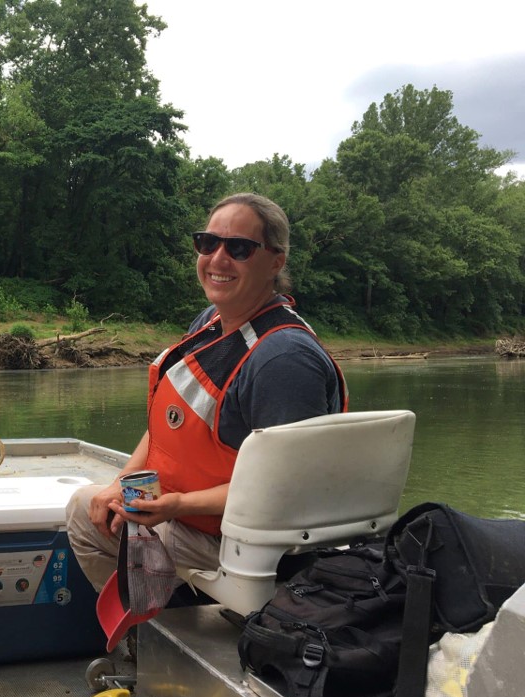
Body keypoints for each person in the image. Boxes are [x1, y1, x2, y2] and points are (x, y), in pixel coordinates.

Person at [65, 192, 347, 593]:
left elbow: (284, 491)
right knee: (92, 505)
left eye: (239, 248)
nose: (217, 259)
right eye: (208, 243)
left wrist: (176, 506)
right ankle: (156, 623)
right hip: (194, 516)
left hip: (251, 547)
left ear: (276, 262)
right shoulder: (212, 322)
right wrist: (121, 482)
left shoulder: (284, 362)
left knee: (81, 516)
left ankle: (153, 629)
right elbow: (168, 423)